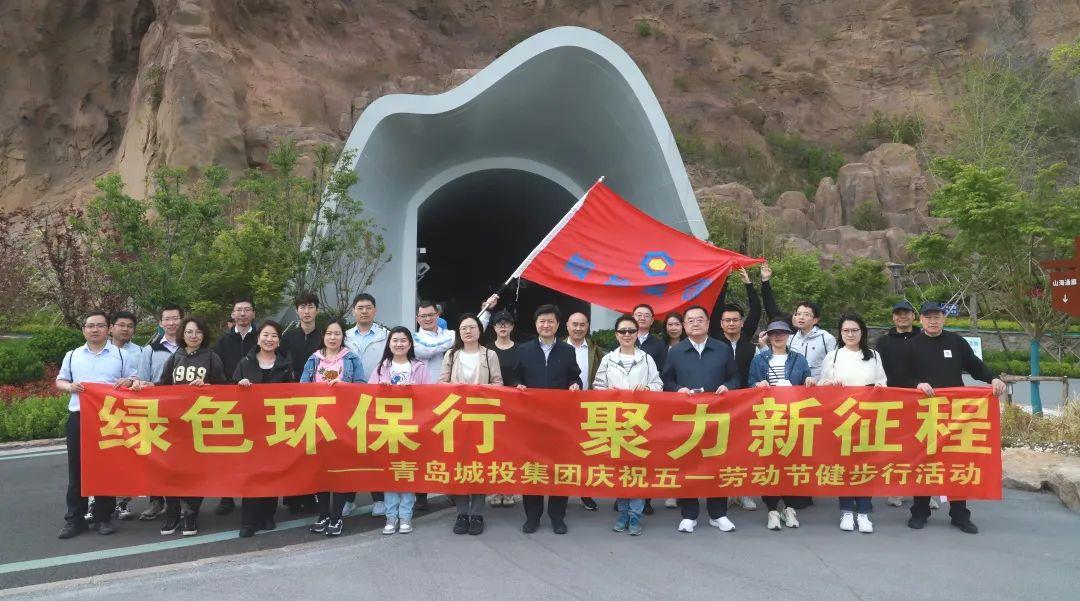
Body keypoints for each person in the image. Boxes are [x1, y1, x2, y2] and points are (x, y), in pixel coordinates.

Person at [902, 302, 1006, 535]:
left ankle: (959, 515)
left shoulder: (956, 342)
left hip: (955, 414)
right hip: (924, 413)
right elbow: (900, 376)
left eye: (937, 316)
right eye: (928, 317)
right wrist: (916, 384)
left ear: (944, 318)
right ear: (921, 320)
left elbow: (975, 366)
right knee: (925, 462)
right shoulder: (912, 345)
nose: (933, 321)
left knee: (955, 462)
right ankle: (919, 512)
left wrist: (993, 378)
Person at [135, 317, 228, 536]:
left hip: (199, 425)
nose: (193, 336)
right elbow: (164, 385)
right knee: (171, 470)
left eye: (198, 332)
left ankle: (191, 513)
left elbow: (224, 387)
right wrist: (147, 385)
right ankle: (173, 513)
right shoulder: (176, 356)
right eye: (189, 332)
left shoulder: (211, 357)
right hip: (175, 424)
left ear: (204, 334)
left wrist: (207, 386)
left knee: (195, 471)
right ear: (182, 335)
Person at [56, 310, 138, 539]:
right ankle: (75, 519)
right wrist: (70, 387)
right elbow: (60, 380)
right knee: (77, 470)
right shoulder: (73, 355)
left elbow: (134, 380)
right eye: (90, 326)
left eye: (100, 325)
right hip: (79, 417)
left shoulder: (121, 355)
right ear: (83, 329)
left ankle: (103, 517)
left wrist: (128, 381)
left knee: (105, 468)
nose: (95, 330)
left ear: (108, 329)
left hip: (108, 419)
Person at [661, 305, 739, 534]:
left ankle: (718, 513)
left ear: (707, 323)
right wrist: (678, 389)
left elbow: (735, 377)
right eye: (690, 320)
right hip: (687, 417)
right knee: (688, 464)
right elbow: (666, 381)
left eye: (699, 319)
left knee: (717, 462)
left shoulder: (722, 349)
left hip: (717, 416)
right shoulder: (676, 351)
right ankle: (689, 514)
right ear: (684, 325)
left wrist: (728, 386)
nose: (695, 323)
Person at [593, 315, 663, 536]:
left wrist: (648, 389)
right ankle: (622, 513)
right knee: (620, 470)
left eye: (631, 331)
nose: (627, 335)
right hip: (615, 422)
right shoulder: (608, 359)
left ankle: (635, 516)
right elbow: (597, 386)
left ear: (637, 333)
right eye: (622, 331)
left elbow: (658, 384)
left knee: (638, 470)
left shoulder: (647, 359)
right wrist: (608, 392)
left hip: (640, 422)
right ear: (616, 334)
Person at [515, 304, 582, 534]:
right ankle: (532, 517)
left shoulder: (567, 350)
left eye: (550, 321)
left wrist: (575, 384)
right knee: (532, 468)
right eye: (542, 321)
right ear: (536, 324)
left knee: (559, 469)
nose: (546, 325)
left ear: (557, 325)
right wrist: (517, 385)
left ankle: (557, 516)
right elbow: (514, 377)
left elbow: (575, 376)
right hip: (530, 421)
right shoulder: (523, 349)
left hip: (559, 421)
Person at [819, 314, 887, 534]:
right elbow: (821, 385)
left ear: (862, 332)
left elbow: (883, 382)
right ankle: (847, 510)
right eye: (846, 330)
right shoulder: (833, 356)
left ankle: (864, 511)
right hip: (841, 417)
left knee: (866, 464)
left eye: (854, 330)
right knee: (844, 465)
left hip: (868, 416)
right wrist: (830, 384)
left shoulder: (874, 355)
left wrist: (879, 388)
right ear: (840, 333)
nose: (850, 334)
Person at [439, 313, 503, 535]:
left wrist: (480, 391)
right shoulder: (451, 354)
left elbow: (498, 383)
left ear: (479, 330)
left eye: (472, 327)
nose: (468, 331)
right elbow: (441, 383)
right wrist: (458, 389)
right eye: (464, 328)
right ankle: (461, 513)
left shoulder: (489, 354)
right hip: (456, 418)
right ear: (459, 332)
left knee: (479, 466)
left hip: (481, 418)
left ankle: (477, 513)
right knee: (459, 465)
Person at [712, 265, 769, 513]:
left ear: (742, 322)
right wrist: (723, 280)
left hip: (747, 403)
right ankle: (723, 492)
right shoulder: (715, 340)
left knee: (745, 448)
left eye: (735, 319)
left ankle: (744, 492)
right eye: (727, 320)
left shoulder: (747, 339)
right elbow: (716, 307)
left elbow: (756, 309)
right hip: (720, 402)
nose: (731, 323)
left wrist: (748, 284)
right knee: (720, 448)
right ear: (721, 323)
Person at [301, 319, 365, 537]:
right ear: (323, 336)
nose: (333, 337)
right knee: (319, 470)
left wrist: (343, 387)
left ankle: (337, 517)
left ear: (342, 337)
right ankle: (323, 515)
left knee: (339, 470)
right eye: (329, 333)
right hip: (317, 421)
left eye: (337, 334)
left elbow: (362, 387)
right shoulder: (313, 359)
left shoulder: (351, 358)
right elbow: (302, 388)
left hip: (343, 422)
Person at [748, 320, 814, 531]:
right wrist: (757, 384)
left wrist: (809, 381)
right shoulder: (759, 359)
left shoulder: (798, 358)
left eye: (782, 333)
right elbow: (750, 383)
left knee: (792, 461)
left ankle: (789, 507)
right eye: (774, 333)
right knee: (769, 462)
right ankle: (771, 509)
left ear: (788, 335)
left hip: (793, 416)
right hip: (768, 416)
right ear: (768, 336)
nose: (778, 336)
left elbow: (807, 380)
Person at [233, 320, 295, 538]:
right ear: (258, 338)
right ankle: (248, 521)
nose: (269, 339)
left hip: (276, 426)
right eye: (265, 335)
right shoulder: (245, 362)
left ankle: (268, 515)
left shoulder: (285, 365)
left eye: (274, 336)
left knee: (272, 472)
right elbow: (230, 392)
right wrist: (240, 386)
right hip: (251, 427)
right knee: (252, 474)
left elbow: (293, 395)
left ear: (279, 341)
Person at [369, 327, 428, 535]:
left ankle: (405, 516)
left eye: (403, 340)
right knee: (391, 473)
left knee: (407, 472)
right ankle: (391, 517)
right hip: (388, 428)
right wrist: (380, 389)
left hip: (411, 428)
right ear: (389, 344)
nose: (399, 344)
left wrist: (413, 390)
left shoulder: (419, 367)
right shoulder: (381, 367)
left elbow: (429, 397)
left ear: (410, 344)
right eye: (395, 340)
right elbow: (368, 397)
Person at [133, 304, 184, 521]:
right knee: (156, 458)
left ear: (182, 320)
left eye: (175, 318)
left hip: (185, 413)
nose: (172, 323)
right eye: (167, 319)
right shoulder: (151, 350)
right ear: (161, 323)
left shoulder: (191, 346)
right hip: (158, 412)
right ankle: (156, 500)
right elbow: (142, 379)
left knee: (182, 458)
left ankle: (184, 500)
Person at [874, 300, 923, 508]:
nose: (902, 317)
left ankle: (924, 491)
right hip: (893, 402)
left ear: (914, 316)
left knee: (922, 446)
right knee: (897, 448)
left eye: (906, 313)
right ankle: (897, 489)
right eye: (898, 313)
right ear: (893, 317)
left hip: (922, 401)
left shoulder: (923, 338)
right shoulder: (884, 342)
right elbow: (877, 370)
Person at [213, 298, 259, 517]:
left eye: (246, 310)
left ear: (253, 314)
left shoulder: (261, 337)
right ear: (232, 314)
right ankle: (227, 496)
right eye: (238, 310)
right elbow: (217, 369)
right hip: (229, 402)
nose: (242, 314)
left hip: (256, 402)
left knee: (254, 450)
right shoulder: (223, 341)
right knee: (229, 451)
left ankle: (253, 495)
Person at [280, 291, 324, 514]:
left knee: (314, 449)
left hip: (319, 401)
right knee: (292, 447)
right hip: (291, 400)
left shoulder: (324, 336)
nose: (306, 311)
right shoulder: (287, 338)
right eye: (302, 307)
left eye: (310, 307)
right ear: (297, 311)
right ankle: (293, 496)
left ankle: (312, 494)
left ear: (317, 310)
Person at [565, 311, 604, 512]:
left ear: (588, 326)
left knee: (587, 452)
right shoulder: (559, 348)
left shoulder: (596, 351)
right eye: (575, 324)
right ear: (567, 325)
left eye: (582, 324)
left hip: (589, 407)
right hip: (562, 408)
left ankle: (585, 492)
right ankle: (561, 492)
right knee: (563, 451)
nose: (578, 328)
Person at [488, 309, 519, 508]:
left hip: (514, 406)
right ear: (493, 327)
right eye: (499, 323)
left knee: (511, 449)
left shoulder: (521, 350)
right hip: (491, 406)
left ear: (512, 327)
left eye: (506, 323)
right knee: (494, 449)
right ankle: (496, 489)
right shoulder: (487, 350)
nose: (503, 326)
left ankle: (508, 489)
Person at [786, 301, 837, 381]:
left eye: (806, 314)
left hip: (819, 385)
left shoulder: (826, 338)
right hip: (796, 385)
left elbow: (835, 362)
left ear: (815, 320)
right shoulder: (790, 339)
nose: (801, 317)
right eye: (798, 314)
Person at [414, 299, 455, 384]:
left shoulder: (449, 334)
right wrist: (453, 340)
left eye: (431, 315)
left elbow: (472, 331)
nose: (428, 319)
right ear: (417, 319)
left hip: (450, 387)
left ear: (437, 315)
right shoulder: (414, 339)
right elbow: (428, 349)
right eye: (423, 316)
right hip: (425, 388)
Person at [632, 303, 668, 371]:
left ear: (651, 321)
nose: (642, 318)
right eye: (639, 315)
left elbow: (663, 371)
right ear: (633, 318)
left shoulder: (660, 345)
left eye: (646, 316)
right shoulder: (624, 340)